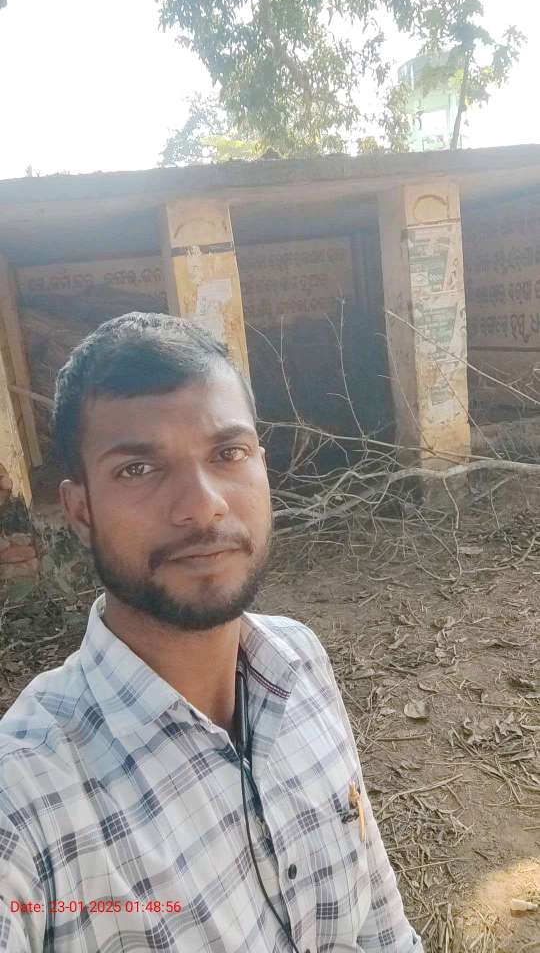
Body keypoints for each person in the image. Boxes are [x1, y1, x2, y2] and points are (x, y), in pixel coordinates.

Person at [0, 312, 423, 953]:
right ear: (81, 511)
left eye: (228, 454)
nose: (202, 505)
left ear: (262, 465)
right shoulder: (28, 797)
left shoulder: (299, 660)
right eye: (137, 469)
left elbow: (379, 922)